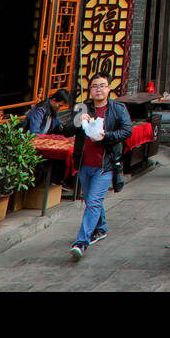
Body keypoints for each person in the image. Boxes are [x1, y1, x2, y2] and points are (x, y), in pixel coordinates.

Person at [62, 73, 132, 261]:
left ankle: (81, 242)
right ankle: (100, 229)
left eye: (102, 85)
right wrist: (78, 119)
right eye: (94, 86)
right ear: (90, 89)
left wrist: (106, 136)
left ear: (109, 88)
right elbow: (66, 130)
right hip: (84, 164)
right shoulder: (82, 107)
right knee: (91, 200)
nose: (98, 89)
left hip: (105, 165)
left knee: (92, 202)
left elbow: (127, 130)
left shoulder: (117, 108)